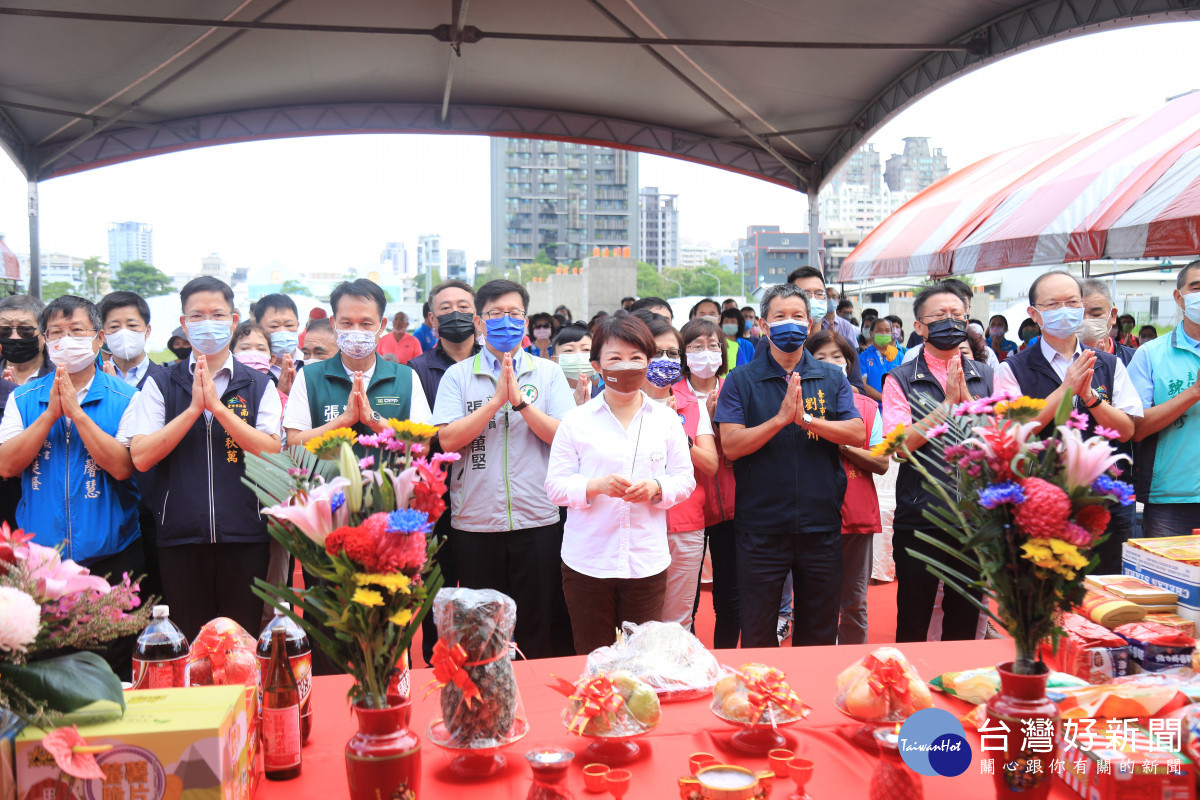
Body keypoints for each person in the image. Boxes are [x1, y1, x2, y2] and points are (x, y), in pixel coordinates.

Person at [121, 276, 283, 640]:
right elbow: (142, 457)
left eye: (217, 314)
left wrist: (221, 412)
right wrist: (194, 409)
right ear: (183, 323)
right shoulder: (161, 383)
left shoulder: (258, 385)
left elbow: (272, 453)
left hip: (246, 535)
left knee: (240, 644)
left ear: (233, 319)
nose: (207, 322)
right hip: (180, 539)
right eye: (197, 315)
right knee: (190, 646)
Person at [714, 283, 864, 648]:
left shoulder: (830, 377)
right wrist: (779, 420)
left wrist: (808, 421)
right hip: (761, 528)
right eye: (779, 317)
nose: (790, 324)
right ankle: (759, 701)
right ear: (764, 326)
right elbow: (731, 446)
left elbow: (857, 432)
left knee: (818, 630)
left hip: (820, 525)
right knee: (758, 630)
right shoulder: (741, 380)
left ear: (810, 325)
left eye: (798, 317)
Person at [434, 279, 576, 659]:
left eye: (514, 314)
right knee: (483, 634)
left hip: (539, 520)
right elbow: (447, 440)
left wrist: (523, 406)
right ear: (479, 323)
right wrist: (496, 402)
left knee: (536, 625)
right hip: (476, 523)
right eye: (495, 314)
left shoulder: (548, 374)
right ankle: (485, 709)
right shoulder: (459, 376)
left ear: (526, 321)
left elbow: (565, 437)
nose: (505, 322)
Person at [545, 314, 697, 653]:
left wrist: (657, 487)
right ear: (597, 365)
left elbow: (684, 479)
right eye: (615, 358)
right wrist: (594, 486)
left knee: (641, 657)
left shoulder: (667, 421)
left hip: (646, 562)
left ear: (648, 362)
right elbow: (555, 486)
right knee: (592, 654)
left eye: (636, 358)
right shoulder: (576, 421)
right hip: (587, 563)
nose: (626, 366)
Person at [995, 271, 1142, 569]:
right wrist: (1065, 389)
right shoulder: (1013, 368)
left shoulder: (1109, 365)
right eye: (1052, 304)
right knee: (1047, 599)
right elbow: (1012, 431)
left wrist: (1091, 397)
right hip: (1041, 505)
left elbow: (1126, 431)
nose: (1064, 310)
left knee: (1106, 596)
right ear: (1034, 314)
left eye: (1072, 302)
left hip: (1105, 502)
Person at [883, 284, 993, 642]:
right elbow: (900, 446)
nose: (950, 322)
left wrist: (970, 412)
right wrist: (946, 407)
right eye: (939, 316)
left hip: (975, 518)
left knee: (964, 620)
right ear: (919, 327)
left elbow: (1000, 443)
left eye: (957, 315)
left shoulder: (987, 375)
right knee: (913, 617)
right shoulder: (900, 379)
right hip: (922, 515)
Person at [0, 294, 141, 569]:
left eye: (76, 330)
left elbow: (123, 468)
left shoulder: (127, 397)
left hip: (113, 553)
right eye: (56, 332)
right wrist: (50, 414)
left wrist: (76, 413)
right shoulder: (22, 398)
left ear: (99, 338)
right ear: (45, 340)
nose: (65, 340)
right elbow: (6, 465)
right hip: (39, 556)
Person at [406, 278, 481, 666]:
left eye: (464, 307)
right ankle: (437, 667)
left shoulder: (495, 364)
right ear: (432, 320)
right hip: (432, 503)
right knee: (434, 595)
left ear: (478, 314)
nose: (457, 315)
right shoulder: (414, 372)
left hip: (484, 501)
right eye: (446, 309)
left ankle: (481, 667)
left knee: (479, 596)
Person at [636, 312, 718, 631]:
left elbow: (710, 464)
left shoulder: (691, 405)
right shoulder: (620, 404)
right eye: (657, 352)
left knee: (678, 621)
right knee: (639, 619)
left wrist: (679, 434)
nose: (665, 360)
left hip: (686, 526)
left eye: (673, 353)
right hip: (638, 523)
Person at [805, 329, 886, 644]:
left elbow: (881, 462)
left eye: (836, 357)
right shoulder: (798, 403)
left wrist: (842, 444)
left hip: (856, 515)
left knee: (854, 600)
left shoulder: (866, 406)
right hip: (809, 516)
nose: (829, 363)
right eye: (820, 357)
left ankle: (855, 662)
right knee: (813, 599)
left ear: (849, 362)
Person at [284, 279, 431, 449]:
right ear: (334, 324)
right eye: (347, 323)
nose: (356, 331)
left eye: (366, 324)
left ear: (382, 325)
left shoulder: (406, 378)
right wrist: (343, 420)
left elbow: (423, 447)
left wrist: (373, 420)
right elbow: (294, 443)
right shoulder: (309, 377)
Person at [98, 291, 168, 601]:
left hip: (155, 509)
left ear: (147, 331)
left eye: (131, 324)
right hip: (105, 509)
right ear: (101, 334)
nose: (122, 333)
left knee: (162, 595)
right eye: (113, 327)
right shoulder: (91, 383)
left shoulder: (166, 380)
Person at [679, 318, 739, 647]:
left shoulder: (737, 388)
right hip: (686, 509)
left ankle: (725, 659)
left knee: (730, 595)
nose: (706, 353)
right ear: (683, 353)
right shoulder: (670, 395)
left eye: (713, 346)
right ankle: (688, 658)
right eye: (696, 347)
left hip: (733, 505)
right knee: (687, 597)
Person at [1130, 260, 1200, 537]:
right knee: (1166, 579)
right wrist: (1194, 393)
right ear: (1178, 296)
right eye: (1197, 287)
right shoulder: (1150, 355)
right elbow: (1136, 429)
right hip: (1171, 498)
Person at [903, 280, 1001, 370]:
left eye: (958, 309)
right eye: (941, 312)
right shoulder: (913, 356)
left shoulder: (987, 357)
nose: (950, 319)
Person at [787, 267, 858, 344]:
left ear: (826, 300)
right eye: (805, 294)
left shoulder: (841, 345)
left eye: (819, 294)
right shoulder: (781, 345)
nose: (813, 299)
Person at [253, 293, 303, 393]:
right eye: (274, 326)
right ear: (258, 328)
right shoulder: (253, 367)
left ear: (298, 325)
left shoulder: (309, 362)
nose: (282, 331)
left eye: (289, 325)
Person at [0, 294, 52, 386]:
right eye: (5, 329)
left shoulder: (62, 374)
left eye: (25, 330)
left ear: (44, 333)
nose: (14, 337)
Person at [859, 317, 907, 404]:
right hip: (872, 407)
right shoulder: (863, 357)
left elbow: (905, 384)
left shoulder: (899, 356)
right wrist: (885, 399)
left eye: (887, 330)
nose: (884, 333)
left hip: (896, 407)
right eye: (879, 330)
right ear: (871, 333)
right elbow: (862, 385)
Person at [553, 322, 599, 405]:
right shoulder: (547, 399)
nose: (579, 355)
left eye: (586, 350)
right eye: (569, 350)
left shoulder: (607, 398)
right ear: (555, 359)